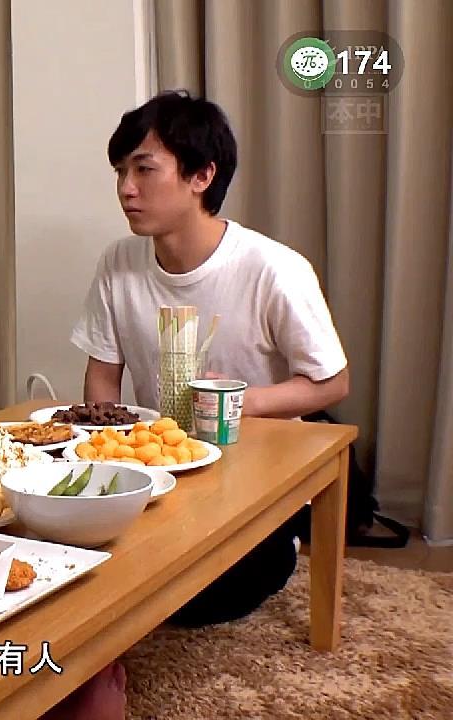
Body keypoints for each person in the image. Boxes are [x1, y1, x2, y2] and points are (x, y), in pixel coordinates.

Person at [72, 90, 350, 628]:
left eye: (144, 169)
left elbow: (332, 382)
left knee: (193, 600)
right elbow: (102, 376)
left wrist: (240, 402)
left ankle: (283, 543)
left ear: (202, 176)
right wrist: (105, 460)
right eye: (121, 171)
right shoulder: (118, 262)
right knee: (78, 565)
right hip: (159, 471)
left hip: (252, 483)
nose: (126, 188)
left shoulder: (272, 268)